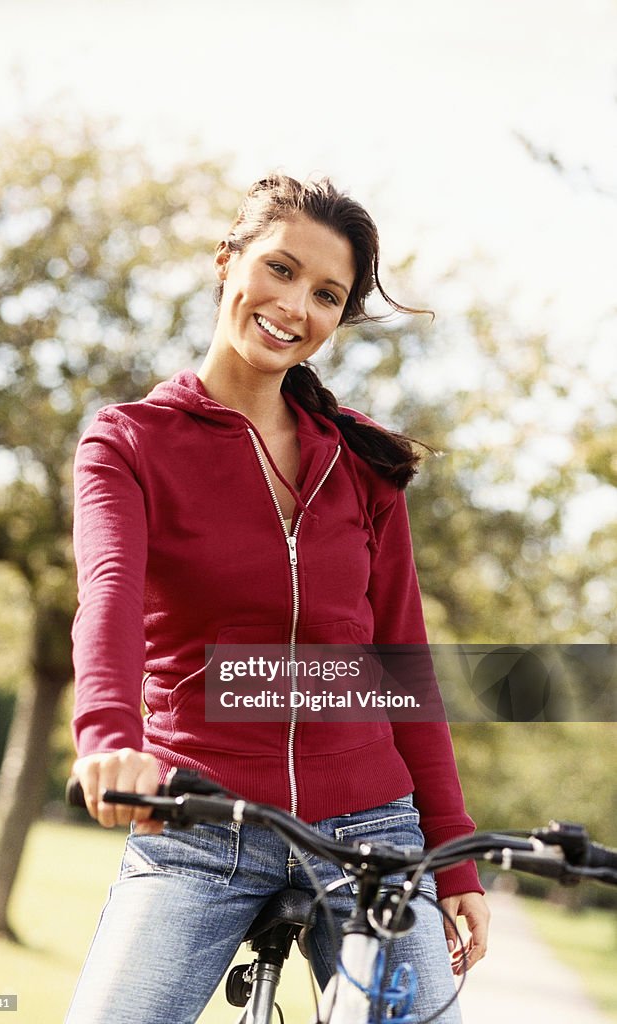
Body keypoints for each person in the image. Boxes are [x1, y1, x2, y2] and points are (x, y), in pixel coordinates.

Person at [65, 173, 490, 1024]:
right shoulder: (130, 441)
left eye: (327, 294)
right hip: (199, 822)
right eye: (281, 270)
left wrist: (451, 858)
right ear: (226, 263)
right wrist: (108, 737)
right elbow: (107, 593)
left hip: (372, 837)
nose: (296, 306)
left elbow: (403, 662)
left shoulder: (364, 463)